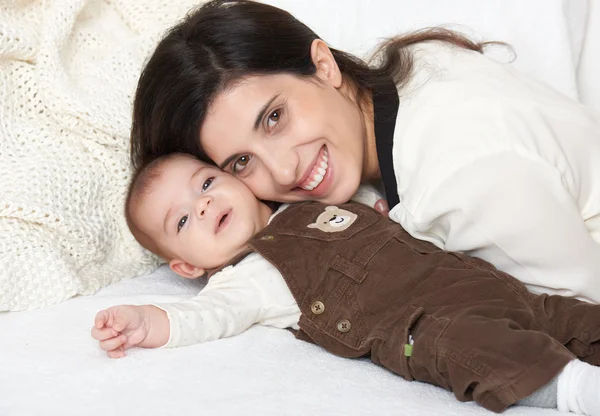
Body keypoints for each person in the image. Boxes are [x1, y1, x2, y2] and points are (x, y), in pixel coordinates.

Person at [130, 0, 600, 303]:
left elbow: (580, 311)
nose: (284, 169)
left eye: (275, 117)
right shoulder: (408, 79)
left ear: (323, 64)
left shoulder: (461, 173)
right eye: (240, 162)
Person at [93, 153, 600, 414]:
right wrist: (146, 321)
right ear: (185, 266)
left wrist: (374, 210)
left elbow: (370, 200)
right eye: (182, 222)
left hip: (469, 280)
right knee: (473, 350)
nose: (202, 205)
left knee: (563, 314)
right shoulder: (242, 280)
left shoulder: (305, 202)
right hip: (421, 327)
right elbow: (205, 318)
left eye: (205, 184)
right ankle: (576, 388)